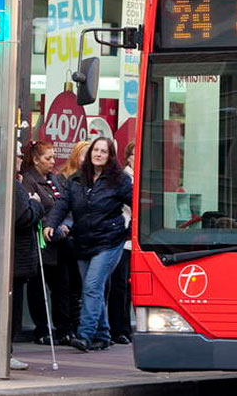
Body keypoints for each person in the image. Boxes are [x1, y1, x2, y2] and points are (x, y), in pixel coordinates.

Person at [44, 137, 132, 352]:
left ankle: (85, 335)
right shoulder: (76, 179)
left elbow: (138, 205)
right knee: (93, 288)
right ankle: (103, 335)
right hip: (83, 241)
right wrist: (51, 224)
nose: (99, 154)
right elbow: (63, 204)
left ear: (110, 156)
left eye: (104, 151)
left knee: (92, 286)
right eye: (96, 150)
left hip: (110, 240)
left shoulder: (119, 180)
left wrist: (129, 232)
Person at [21, 140, 75, 346]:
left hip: (61, 243)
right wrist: (49, 227)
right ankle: (42, 329)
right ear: (36, 160)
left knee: (62, 288)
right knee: (38, 289)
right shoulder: (29, 181)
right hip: (41, 244)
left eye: (53, 157)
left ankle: (64, 329)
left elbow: (66, 204)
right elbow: (34, 209)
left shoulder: (55, 179)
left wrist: (66, 225)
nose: (53, 161)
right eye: (48, 158)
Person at [11, 150, 44, 370]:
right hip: (16, 258)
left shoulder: (16, 182)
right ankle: (6, 352)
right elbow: (24, 217)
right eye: (18, 155)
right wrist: (36, 203)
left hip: (15, 258)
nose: (21, 158)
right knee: (12, 307)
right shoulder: (15, 185)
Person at [56, 140, 90, 336]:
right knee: (65, 285)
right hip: (67, 237)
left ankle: (78, 326)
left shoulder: (94, 180)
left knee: (80, 285)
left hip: (83, 237)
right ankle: (66, 327)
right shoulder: (65, 178)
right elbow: (63, 206)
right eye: (84, 154)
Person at [107, 141, 134, 344]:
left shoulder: (138, 177)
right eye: (132, 154)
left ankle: (125, 327)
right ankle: (119, 328)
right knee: (120, 285)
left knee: (129, 287)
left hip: (134, 240)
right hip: (122, 237)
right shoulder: (125, 178)